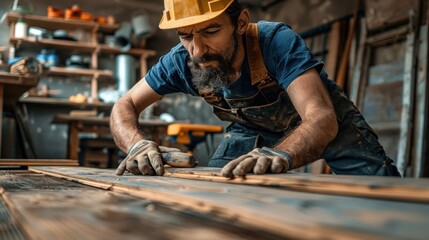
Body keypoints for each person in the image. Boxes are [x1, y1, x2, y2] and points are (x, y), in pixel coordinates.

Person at [111, 0, 401, 178]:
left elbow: (321, 118)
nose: (197, 50)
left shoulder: (276, 42)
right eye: (186, 36)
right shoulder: (180, 61)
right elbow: (124, 105)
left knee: (386, 199)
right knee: (217, 193)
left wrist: (283, 154)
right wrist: (136, 144)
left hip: (326, 124)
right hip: (250, 130)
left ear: (241, 22)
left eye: (211, 31)